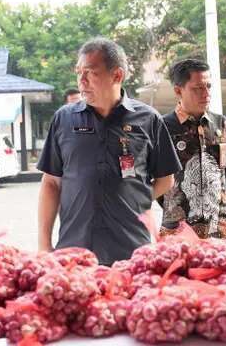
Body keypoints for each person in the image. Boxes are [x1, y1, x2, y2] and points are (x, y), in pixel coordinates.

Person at [36, 37, 181, 266]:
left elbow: (166, 180)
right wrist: (44, 245)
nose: (81, 81)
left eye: (90, 73)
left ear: (117, 75)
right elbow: (51, 183)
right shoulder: (64, 119)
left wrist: (133, 201)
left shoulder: (148, 119)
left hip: (131, 249)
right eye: (78, 72)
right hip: (75, 249)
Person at [159, 59, 226, 239]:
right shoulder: (163, 127)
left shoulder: (222, 124)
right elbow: (157, 178)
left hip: (222, 224)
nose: (206, 93)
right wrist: (175, 202)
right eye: (198, 88)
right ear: (178, 90)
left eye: (208, 86)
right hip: (178, 227)